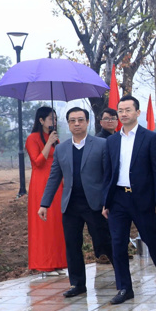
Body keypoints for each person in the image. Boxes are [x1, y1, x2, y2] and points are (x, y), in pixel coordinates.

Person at [102, 95, 156, 304]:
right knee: (117, 244)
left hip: (142, 198)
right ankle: (125, 288)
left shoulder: (149, 137)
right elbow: (108, 172)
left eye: (128, 110)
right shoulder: (112, 141)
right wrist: (106, 201)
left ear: (137, 113)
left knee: (150, 238)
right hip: (118, 199)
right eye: (120, 110)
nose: (123, 114)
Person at [39, 107, 113, 297]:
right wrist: (44, 204)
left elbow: (108, 176)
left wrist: (108, 201)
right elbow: (54, 177)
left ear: (88, 122)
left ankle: (122, 278)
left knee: (104, 243)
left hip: (95, 204)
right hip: (71, 204)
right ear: (68, 124)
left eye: (80, 120)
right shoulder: (61, 148)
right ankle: (78, 284)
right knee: (72, 245)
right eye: (72, 121)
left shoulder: (101, 144)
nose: (77, 124)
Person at [26, 106, 67, 274]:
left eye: (55, 119)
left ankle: (58, 262)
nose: (54, 122)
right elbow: (37, 162)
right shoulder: (33, 138)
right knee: (44, 225)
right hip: (41, 184)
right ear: (41, 120)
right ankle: (44, 263)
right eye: (51, 118)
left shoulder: (55, 138)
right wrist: (49, 142)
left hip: (57, 184)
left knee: (58, 223)